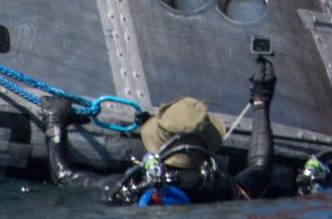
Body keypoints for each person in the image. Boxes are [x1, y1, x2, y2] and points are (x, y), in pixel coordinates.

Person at [40, 57, 275, 205]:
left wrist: (55, 122)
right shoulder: (219, 190)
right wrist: (261, 103)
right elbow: (260, 168)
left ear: (157, 143)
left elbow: (65, 176)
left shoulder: (134, 185)